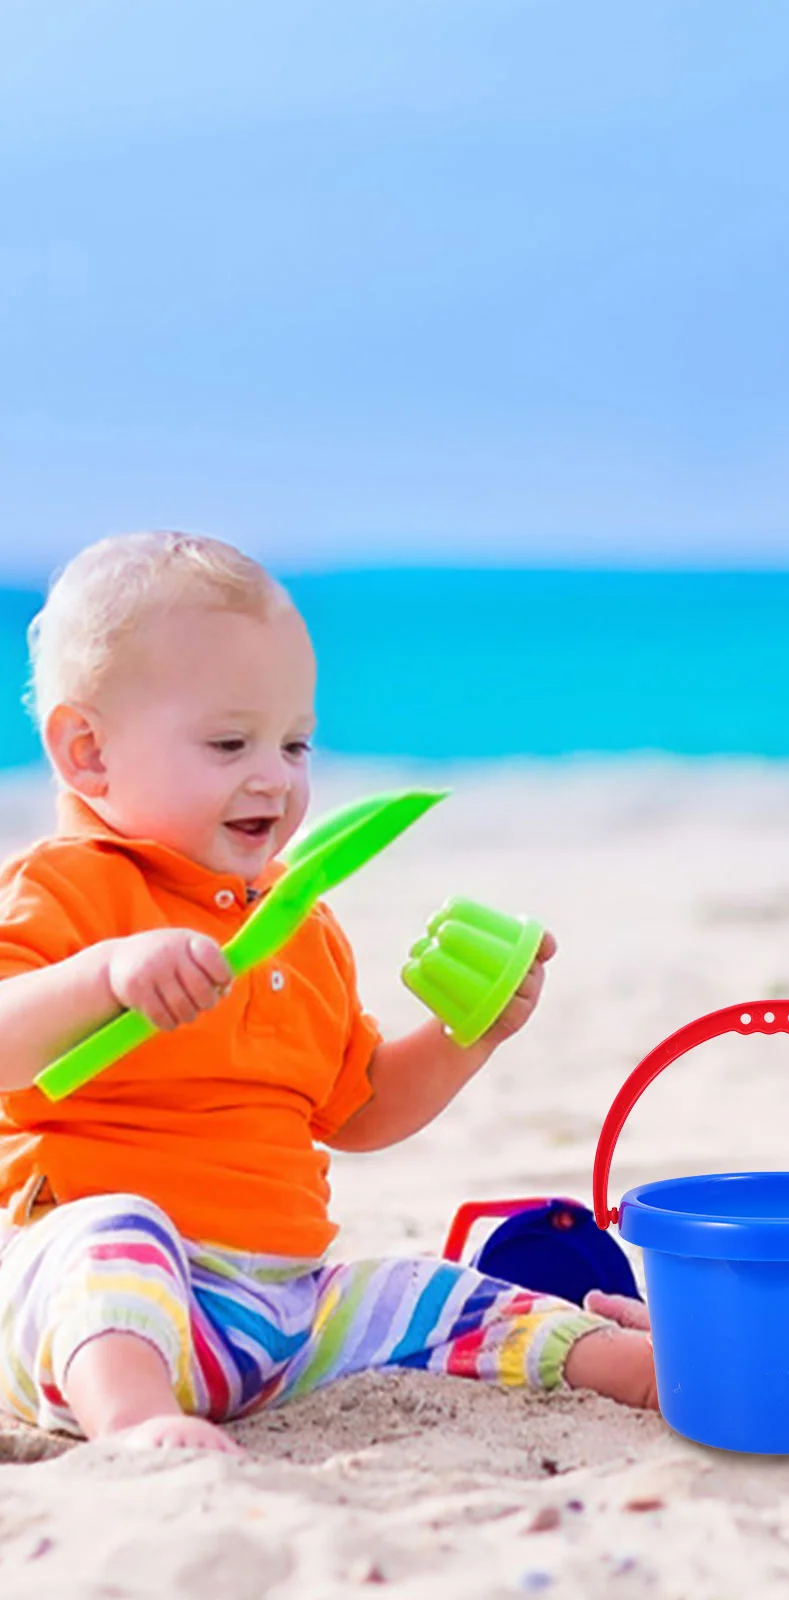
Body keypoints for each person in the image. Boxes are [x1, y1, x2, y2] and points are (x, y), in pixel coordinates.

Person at [0, 532, 656, 1454]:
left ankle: (619, 1363)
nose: (274, 775)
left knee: (435, 1294)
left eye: (295, 743)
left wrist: (467, 1037)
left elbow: (359, 1108)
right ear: (88, 754)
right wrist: (104, 977)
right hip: (104, 1315)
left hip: (285, 1311)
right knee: (109, 1235)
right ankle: (137, 1425)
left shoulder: (299, 924)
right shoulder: (67, 891)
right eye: (229, 743)